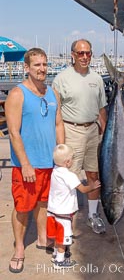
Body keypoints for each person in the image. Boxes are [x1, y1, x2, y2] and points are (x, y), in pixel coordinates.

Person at [5, 48, 65, 273]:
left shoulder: (52, 93)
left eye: (44, 64)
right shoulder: (17, 94)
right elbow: (13, 132)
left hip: (50, 163)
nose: (42, 69)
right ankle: (19, 249)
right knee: (22, 207)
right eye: (37, 65)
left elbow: (58, 124)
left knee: (44, 203)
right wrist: (26, 163)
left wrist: (62, 153)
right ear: (27, 68)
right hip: (26, 166)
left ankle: (42, 238)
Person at [52, 39, 107, 234]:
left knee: (94, 175)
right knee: (69, 176)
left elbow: (102, 109)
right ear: (73, 55)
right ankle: (67, 218)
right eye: (81, 53)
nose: (85, 57)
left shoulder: (97, 79)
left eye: (88, 53)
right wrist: (60, 141)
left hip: (92, 130)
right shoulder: (60, 79)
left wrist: (107, 133)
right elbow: (56, 112)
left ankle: (93, 215)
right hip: (71, 130)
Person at [47, 144, 101, 269]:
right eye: (72, 158)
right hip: (64, 212)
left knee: (57, 234)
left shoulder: (54, 171)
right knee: (63, 236)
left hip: (53, 210)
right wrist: (92, 186)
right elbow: (82, 189)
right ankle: (60, 261)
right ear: (67, 162)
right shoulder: (69, 176)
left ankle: (56, 254)